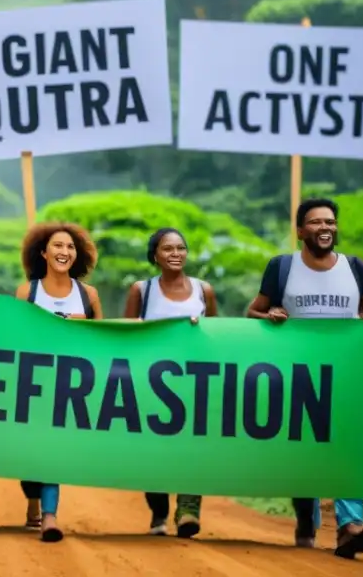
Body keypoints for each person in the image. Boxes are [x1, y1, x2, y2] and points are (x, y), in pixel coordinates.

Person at [247, 197, 363, 560]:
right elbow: (253, 311)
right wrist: (269, 316)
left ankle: (349, 526)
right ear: (300, 232)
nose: (325, 228)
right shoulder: (282, 268)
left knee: (346, 445)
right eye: (315, 223)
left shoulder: (355, 269)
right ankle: (305, 513)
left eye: (330, 222)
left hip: (344, 375)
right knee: (304, 449)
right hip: (294, 376)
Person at [123, 227, 218, 539]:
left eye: (180, 248)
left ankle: (188, 510)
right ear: (155, 256)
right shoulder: (142, 291)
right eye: (168, 249)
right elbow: (126, 336)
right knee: (151, 452)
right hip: (150, 387)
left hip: (195, 386)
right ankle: (159, 511)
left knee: (194, 448)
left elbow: (219, 336)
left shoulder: (204, 291)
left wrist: (199, 329)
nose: (176, 254)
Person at [13, 222, 103, 544]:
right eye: (57, 246)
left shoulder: (88, 296)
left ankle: (50, 515)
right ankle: (34, 502)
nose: (64, 252)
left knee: (52, 451)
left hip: (70, 389)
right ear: (43, 252)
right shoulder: (27, 292)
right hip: (32, 386)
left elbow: (101, 341)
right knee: (27, 454)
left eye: (70, 247)